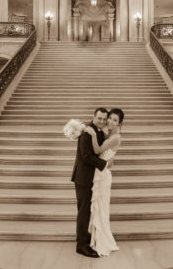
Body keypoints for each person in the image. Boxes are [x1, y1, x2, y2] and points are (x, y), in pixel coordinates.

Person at [71, 108, 114, 258]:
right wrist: (105, 164)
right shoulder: (86, 133)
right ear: (93, 117)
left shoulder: (98, 132)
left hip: (92, 178)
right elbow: (87, 156)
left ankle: (85, 237)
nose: (102, 121)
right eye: (99, 118)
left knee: (89, 210)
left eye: (104, 119)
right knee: (83, 212)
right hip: (83, 179)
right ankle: (81, 245)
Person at [83, 108, 124, 257]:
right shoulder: (108, 134)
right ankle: (94, 238)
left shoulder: (115, 137)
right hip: (100, 172)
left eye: (115, 120)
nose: (110, 122)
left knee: (102, 208)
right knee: (98, 207)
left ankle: (102, 240)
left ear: (120, 123)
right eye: (110, 118)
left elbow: (97, 149)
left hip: (104, 175)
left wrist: (93, 135)